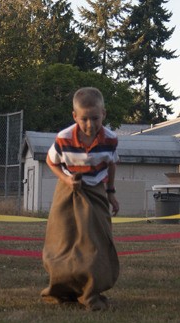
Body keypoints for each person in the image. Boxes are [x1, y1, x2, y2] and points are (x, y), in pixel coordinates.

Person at [40, 87, 119, 311]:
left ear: (103, 113)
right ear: (75, 116)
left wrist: (111, 192)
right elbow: (51, 161)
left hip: (96, 192)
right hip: (68, 190)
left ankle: (91, 293)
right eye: (84, 119)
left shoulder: (111, 139)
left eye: (95, 118)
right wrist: (65, 180)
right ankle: (62, 290)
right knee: (63, 243)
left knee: (95, 243)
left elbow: (112, 163)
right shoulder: (63, 138)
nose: (90, 124)